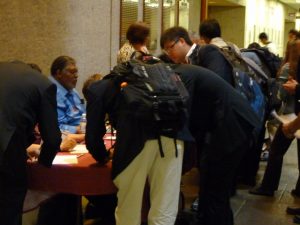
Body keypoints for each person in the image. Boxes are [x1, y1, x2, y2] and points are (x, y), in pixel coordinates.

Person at [85, 61, 194, 225]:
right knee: (165, 207)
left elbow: (93, 137)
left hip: (136, 142)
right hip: (174, 136)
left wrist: (103, 156)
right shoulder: (153, 80)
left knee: (129, 208)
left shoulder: (96, 89)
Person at [172, 64, 260, 225]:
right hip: (231, 124)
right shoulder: (185, 72)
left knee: (215, 187)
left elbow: (185, 113)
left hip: (232, 126)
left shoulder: (181, 75)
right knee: (210, 183)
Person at [0, 61, 61, 225]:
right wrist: (43, 163)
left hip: (8, 142)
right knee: (8, 208)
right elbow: (53, 138)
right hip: (6, 153)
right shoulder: (43, 84)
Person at [250, 40, 300, 197]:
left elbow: (281, 94)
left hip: (290, 116)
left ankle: (268, 186)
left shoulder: (288, 68)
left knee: (276, 150)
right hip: (296, 114)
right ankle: (299, 190)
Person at [160, 26, 233, 85]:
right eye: (166, 51)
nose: (169, 53)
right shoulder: (182, 63)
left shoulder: (207, 51)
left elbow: (219, 84)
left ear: (182, 41)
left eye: (170, 47)